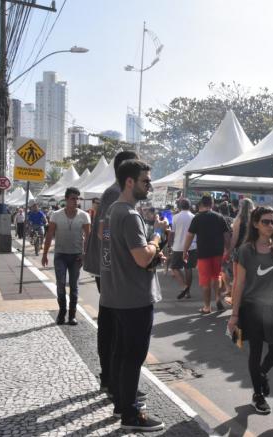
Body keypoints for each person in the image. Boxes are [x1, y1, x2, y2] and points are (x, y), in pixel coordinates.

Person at [101, 159, 166, 431]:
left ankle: (121, 404)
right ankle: (130, 414)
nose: (149, 186)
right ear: (130, 182)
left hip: (115, 296)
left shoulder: (111, 211)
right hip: (134, 298)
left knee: (120, 354)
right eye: (145, 181)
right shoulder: (128, 214)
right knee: (133, 357)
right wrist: (157, 239)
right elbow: (141, 258)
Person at [227, 206, 273, 414]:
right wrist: (234, 314)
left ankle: (260, 375)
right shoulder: (246, 250)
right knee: (256, 352)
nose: (271, 225)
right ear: (256, 224)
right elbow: (239, 284)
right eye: (266, 221)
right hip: (251, 308)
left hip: (272, 306)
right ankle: (258, 395)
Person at [82, 150, 139, 396]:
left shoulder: (114, 192)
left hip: (107, 269)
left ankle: (112, 379)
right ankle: (113, 380)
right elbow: (103, 232)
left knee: (112, 324)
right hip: (109, 271)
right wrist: (116, 255)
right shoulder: (116, 193)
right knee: (114, 327)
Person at [41, 187, 91, 325]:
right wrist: (44, 254)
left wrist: (84, 254)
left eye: (78, 198)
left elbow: (88, 237)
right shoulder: (56, 215)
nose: (76, 201)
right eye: (73, 198)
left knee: (74, 286)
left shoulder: (84, 216)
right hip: (60, 255)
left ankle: (72, 315)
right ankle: (62, 312)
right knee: (60, 284)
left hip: (76, 256)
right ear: (66, 199)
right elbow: (49, 235)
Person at [183, 195, 231, 314]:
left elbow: (190, 236)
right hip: (218, 252)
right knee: (216, 276)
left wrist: (185, 250)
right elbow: (226, 235)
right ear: (212, 203)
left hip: (203, 253)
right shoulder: (219, 217)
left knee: (205, 281)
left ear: (201, 204)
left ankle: (207, 307)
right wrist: (228, 250)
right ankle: (218, 298)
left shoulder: (197, 218)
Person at [169, 198, 197, 299]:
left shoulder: (175, 217)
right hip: (192, 246)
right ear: (189, 206)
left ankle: (183, 286)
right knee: (188, 268)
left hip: (178, 246)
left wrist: (169, 244)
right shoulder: (194, 217)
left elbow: (172, 233)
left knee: (174, 267)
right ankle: (188, 292)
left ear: (180, 206)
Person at [229, 198, 255, 303]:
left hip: (240, 250)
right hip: (253, 249)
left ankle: (235, 300)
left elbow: (234, 238)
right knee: (251, 277)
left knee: (237, 278)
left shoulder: (239, 219)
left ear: (240, 207)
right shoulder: (255, 218)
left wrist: (229, 250)